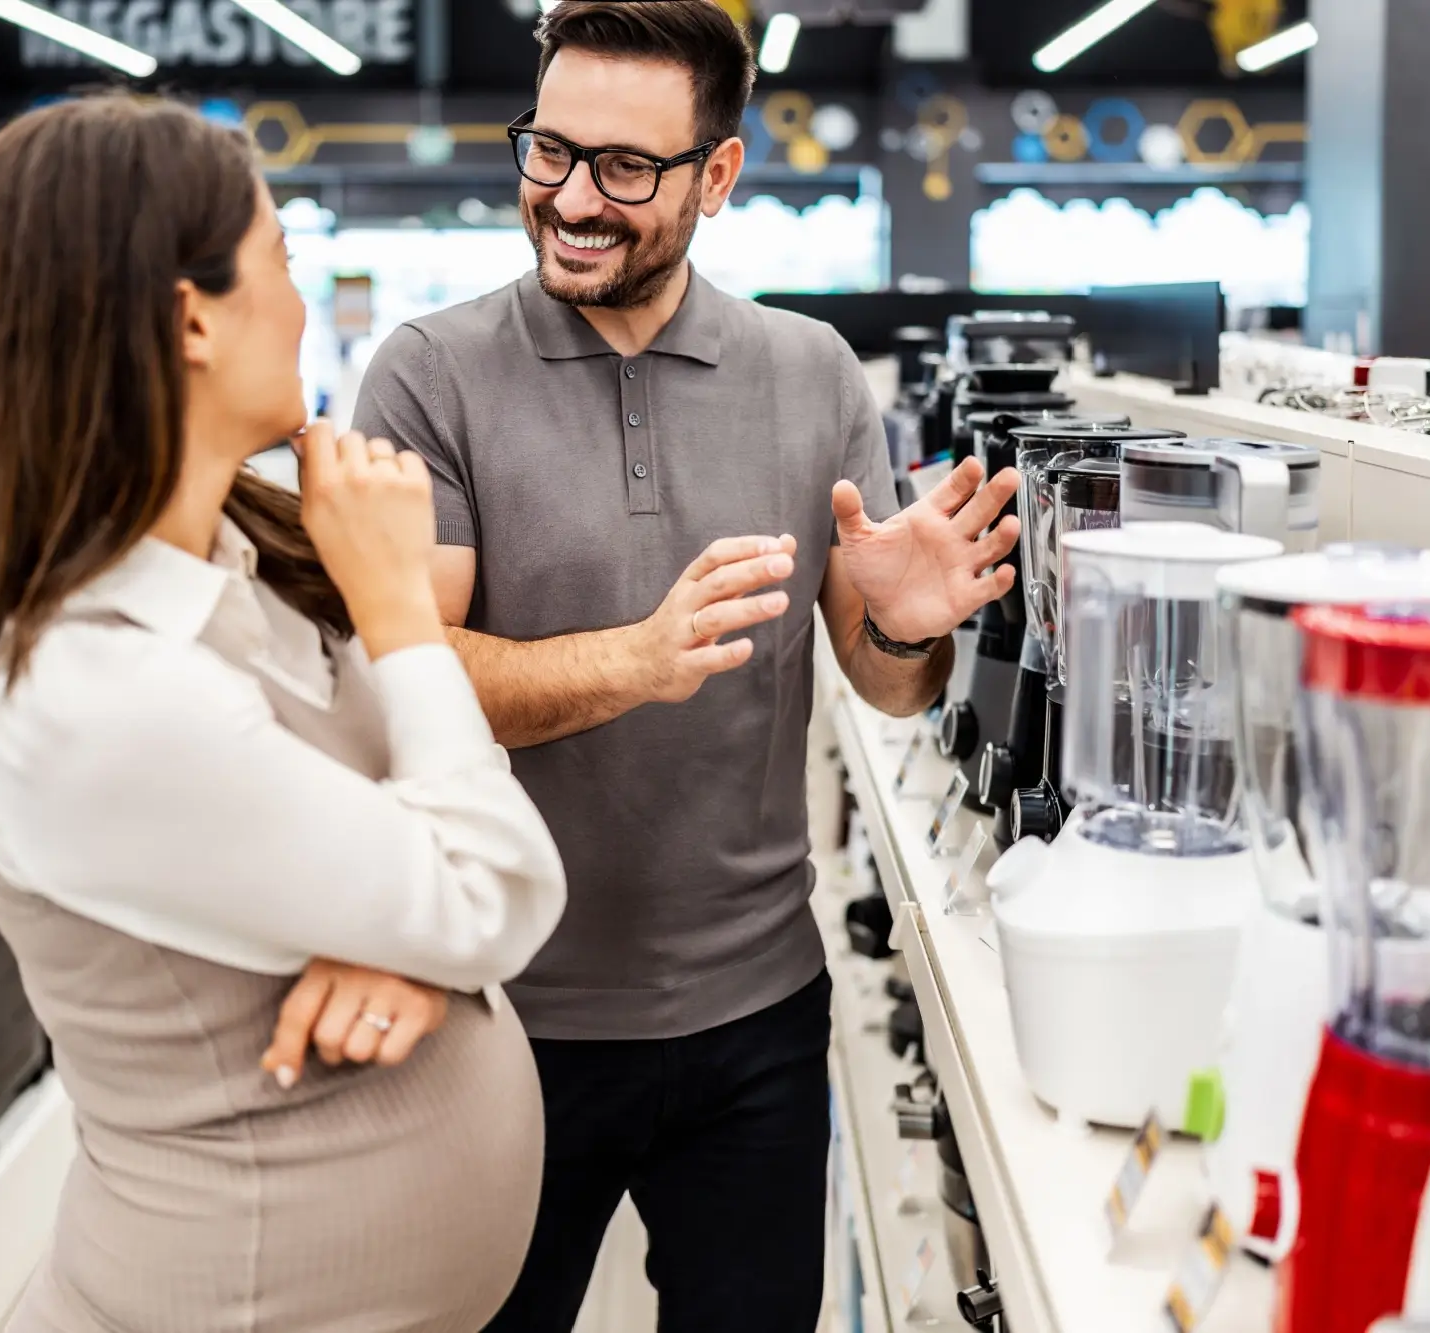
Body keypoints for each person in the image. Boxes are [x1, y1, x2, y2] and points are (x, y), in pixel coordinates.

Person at [350, 3, 1022, 1328]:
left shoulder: (811, 375)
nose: (570, 200)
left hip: (755, 1022)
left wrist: (905, 626)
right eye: (550, 151)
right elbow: (408, 673)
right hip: (501, 1015)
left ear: (717, 174)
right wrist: (633, 661)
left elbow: (889, 686)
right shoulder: (429, 375)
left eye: (623, 167)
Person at [0, 97, 568, 1333]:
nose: (301, 304)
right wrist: (397, 608)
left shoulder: (240, 551)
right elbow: (495, 887)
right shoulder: (87, 700)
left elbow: (424, 832)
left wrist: (403, 932)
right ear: (191, 318)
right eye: (280, 261)